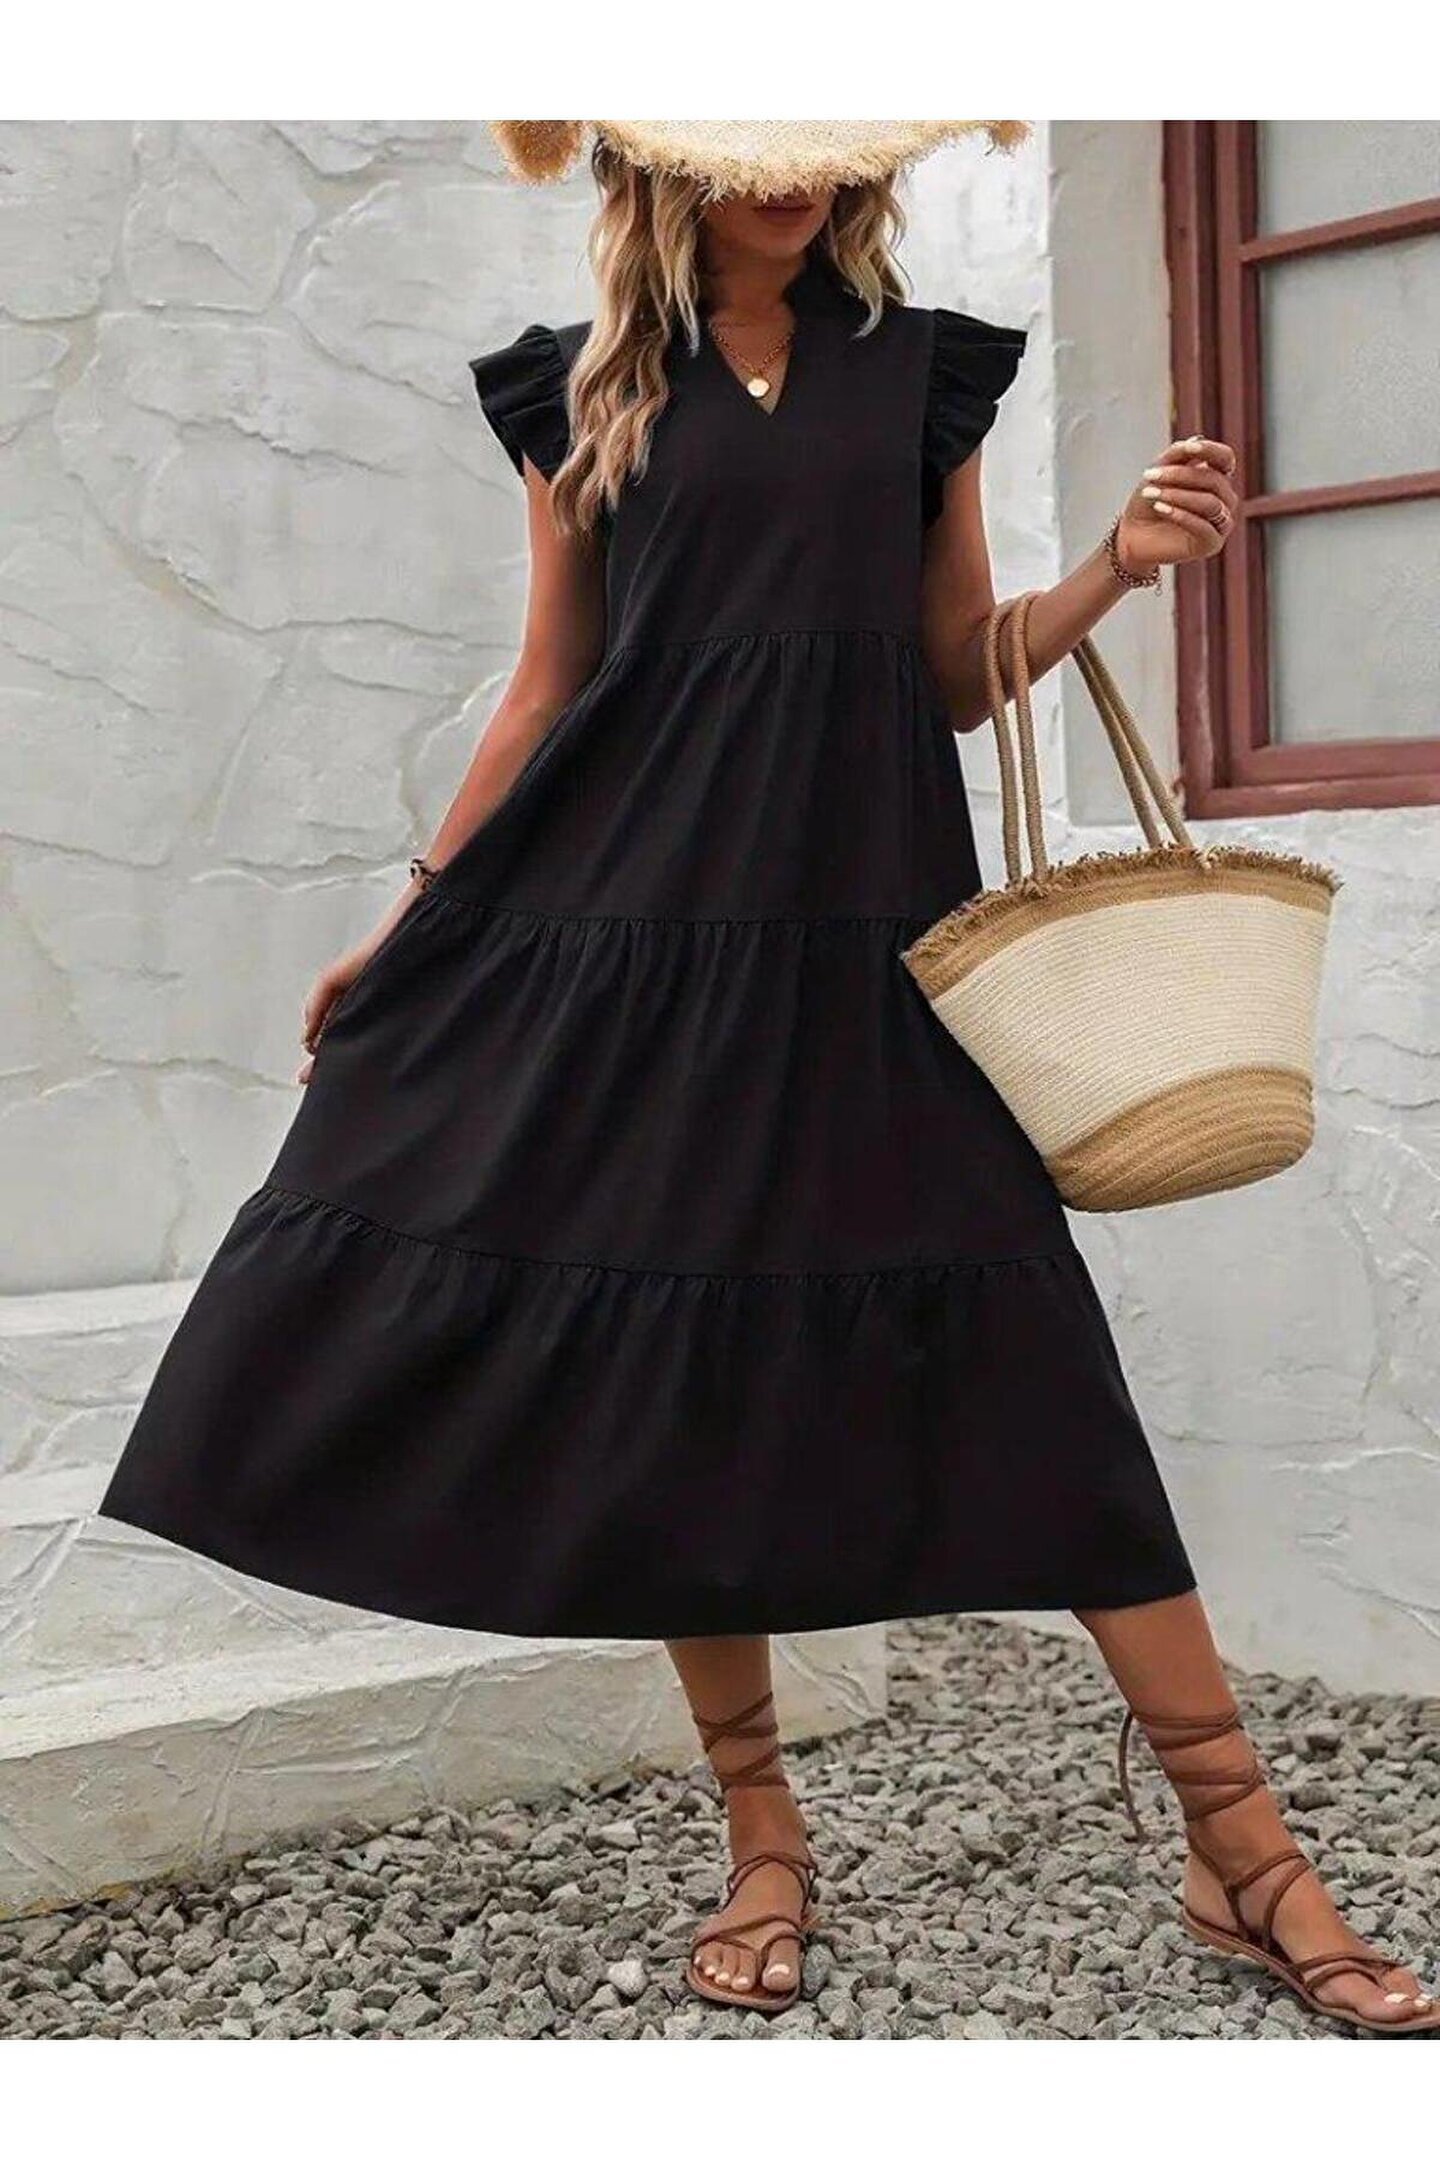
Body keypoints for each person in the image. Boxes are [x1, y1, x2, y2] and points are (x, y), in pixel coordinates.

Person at [100, 119, 1436, 2031]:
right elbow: (551, 684)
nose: (790, 177)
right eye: (750, 147)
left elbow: (954, 669)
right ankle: (763, 1844)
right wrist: (411, 918)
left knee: (1036, 1354)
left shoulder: (922, 373)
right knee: (669, 1358)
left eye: (820, 142)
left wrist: (1118, 573)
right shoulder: (582, 393)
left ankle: (1248, 1854)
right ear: (669, 166)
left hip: (873, 934)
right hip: (629, 929)